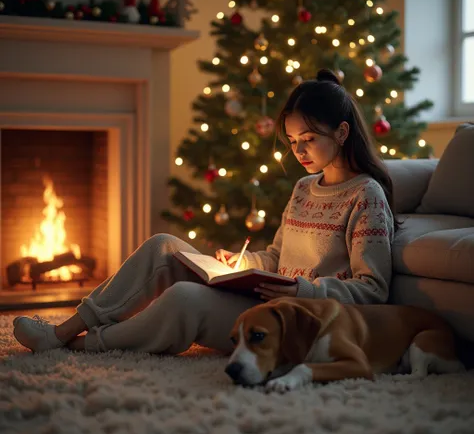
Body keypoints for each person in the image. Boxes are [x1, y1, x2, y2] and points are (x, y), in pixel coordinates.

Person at [13, 68, 396, 356]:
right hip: (264, 301)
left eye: (309, 140)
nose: (298, 151)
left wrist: (303, 289)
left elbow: (373, 291)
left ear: (342, 133)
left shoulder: (367, 196)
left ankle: (84, 346)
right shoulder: (302, 189)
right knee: (164, 245)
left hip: (295, 325)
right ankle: (62, 332)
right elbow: (279, 257)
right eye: (293, 141)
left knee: (184, 298)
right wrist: (245, 262)